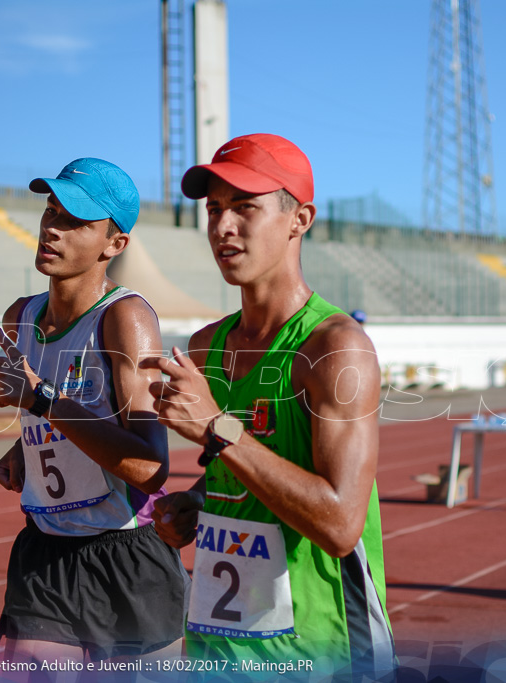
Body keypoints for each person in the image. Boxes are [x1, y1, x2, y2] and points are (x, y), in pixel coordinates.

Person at [141, 134, 396, 679]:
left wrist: (215, 427)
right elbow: (237, 471)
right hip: (217, 646)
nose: (222, 227)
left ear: (299, 219)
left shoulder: (334, 348)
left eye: (245, 208)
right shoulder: (207, 346)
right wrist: (195, 502)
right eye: (214, 209)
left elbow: (339, 523)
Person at [0, 158, 189, 666]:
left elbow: (150, 469)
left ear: (115, 244)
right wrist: (22, 447)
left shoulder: (125, 318)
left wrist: (40, 400)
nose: (52, 229)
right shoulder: (18, 317)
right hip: (44, 550)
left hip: (126, 552)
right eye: (51, 212)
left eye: (76, 222)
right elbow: (59, 410)